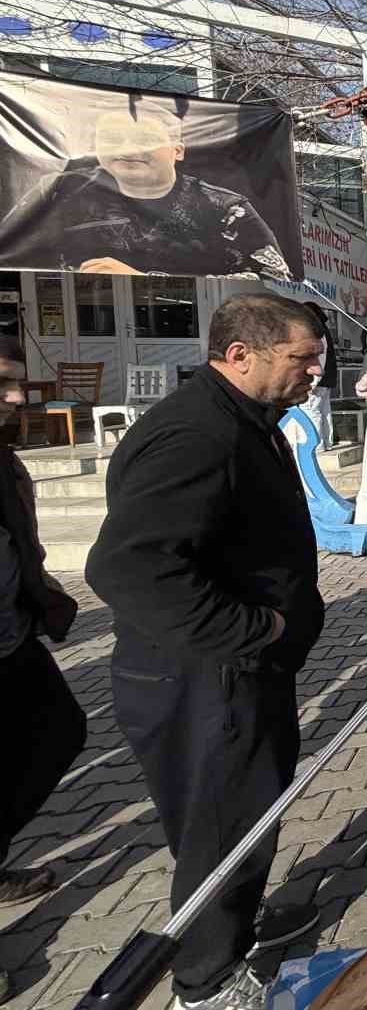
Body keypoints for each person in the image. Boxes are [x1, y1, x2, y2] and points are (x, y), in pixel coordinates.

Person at [85, 294, 326, 1010]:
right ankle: (206, 981)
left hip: (233, 674)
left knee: (241, 815)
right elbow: (127, 568)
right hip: (205, 677)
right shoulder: (199, 436)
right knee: (223, 828)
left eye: (316, 358)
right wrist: (260, 630)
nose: (315, 372)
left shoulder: (246, 419)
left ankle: (235, 928)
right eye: (301, 359)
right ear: (240, 354)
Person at [0, 338, 86, 1002]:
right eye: (0, 383)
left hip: (12, 636)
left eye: (16, 384)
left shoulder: (4, 457)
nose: (13, 398)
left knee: (60, 731)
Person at [0, 98, 293, 279]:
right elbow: (12, 252)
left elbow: (276, 280)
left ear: (177, 151)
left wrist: (146, 279)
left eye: (145, 139)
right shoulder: (58, 192)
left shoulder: (225, 208)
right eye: (113, 139)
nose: (128, 149)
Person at [299, 302, 340, 452]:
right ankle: (327, 442)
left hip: (319, 379)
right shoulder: (324, 330)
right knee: (323, 410)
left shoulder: (318, 332)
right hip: (327, 378)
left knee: (311, 410)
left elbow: (320, 358)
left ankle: (317, 445)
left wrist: (313, 382)